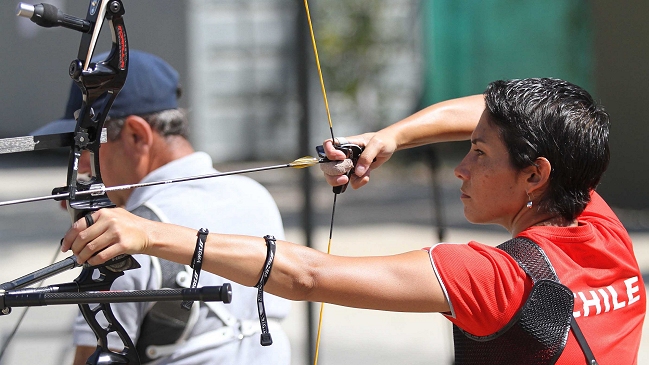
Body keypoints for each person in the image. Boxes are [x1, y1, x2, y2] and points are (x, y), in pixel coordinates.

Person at [61, 78, 646, 364]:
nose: (459, 169)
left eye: (480, 154)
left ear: (535, 175)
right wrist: (389, 138)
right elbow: (498, 115)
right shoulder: (597, 220)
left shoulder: (494, 278)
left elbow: (310, 276)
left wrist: (150, 234)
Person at [37, 50, 291, 365]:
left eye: (88, 144)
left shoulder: (123, 236)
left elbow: (95, 357)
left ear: (136, 134)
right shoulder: (255, 195)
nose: (83, 162)